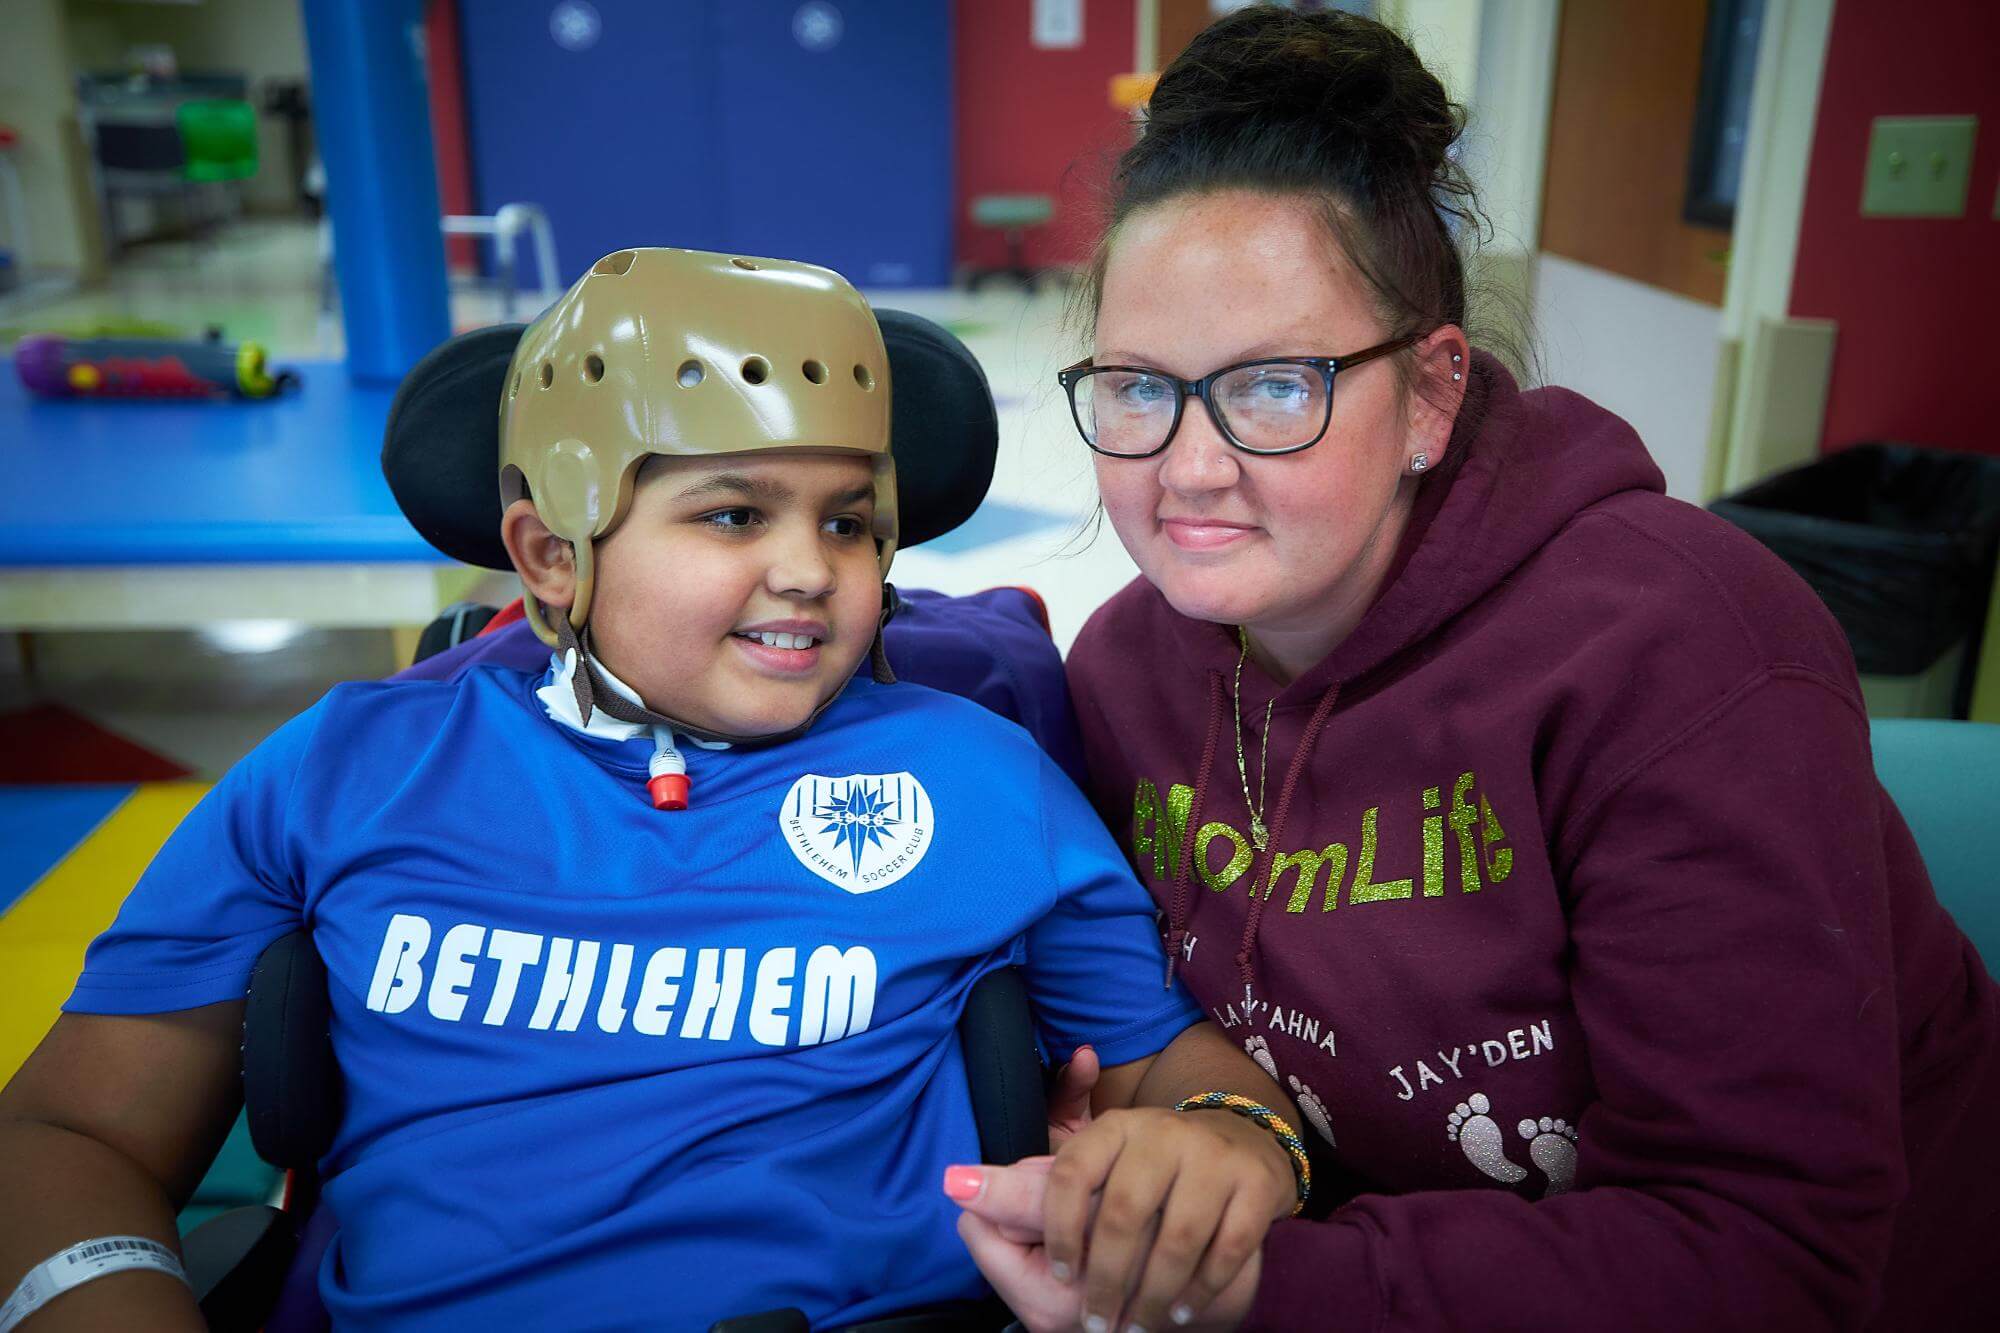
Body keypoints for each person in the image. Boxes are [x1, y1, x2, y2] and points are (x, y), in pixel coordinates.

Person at [0, 249, 1306, 1331]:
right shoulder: (340, 774)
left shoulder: (979, 778)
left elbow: (1177, 1071)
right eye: (734, 515)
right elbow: (67, 1134)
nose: (810, 570)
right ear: (549, 554)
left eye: (848, 520)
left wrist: (1231, 1138)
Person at [948, 7, 2000, 1332]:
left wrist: (1248, 1289)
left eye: (1275, 386)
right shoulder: (1125, 673)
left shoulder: (1686, 654)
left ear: (1432, 396)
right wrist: (1164, 1146)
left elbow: (1766, 1255)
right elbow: (1151, 1040)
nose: (1190, 466)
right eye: (1139, 387)